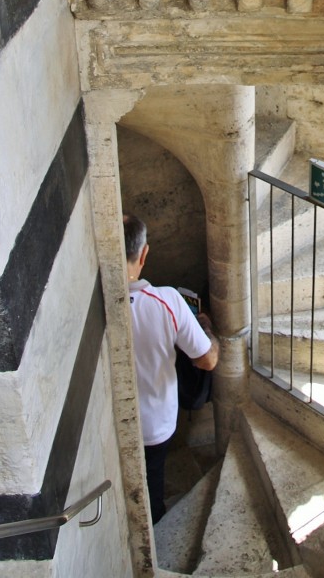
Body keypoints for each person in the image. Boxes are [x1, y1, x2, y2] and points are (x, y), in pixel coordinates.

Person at [123, 213, 219, 523]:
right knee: (151, 482)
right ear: (145, 253)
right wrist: (207, 328)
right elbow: (207, 359)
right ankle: (154, 526)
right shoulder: (167, 301)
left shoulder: (89, 301)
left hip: (110, 425)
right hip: (153, 424)